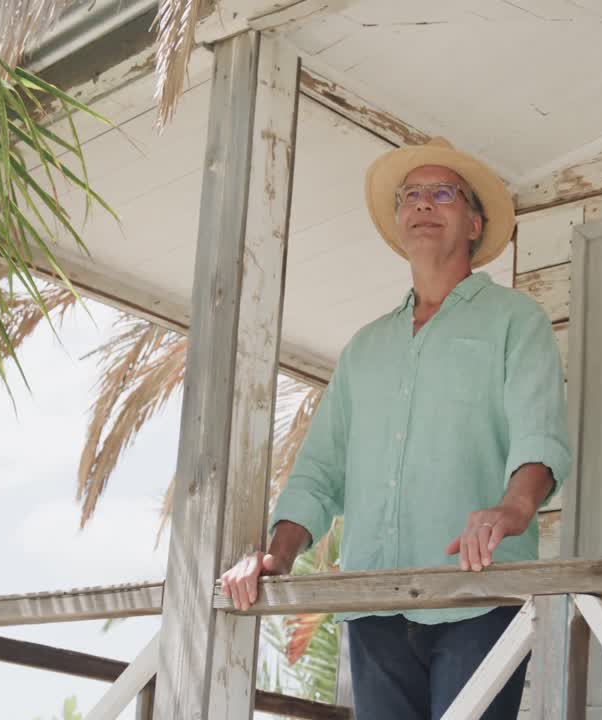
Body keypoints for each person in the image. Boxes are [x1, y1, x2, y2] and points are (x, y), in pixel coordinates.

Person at [219, 137, 572, 719]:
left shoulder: (516, 321)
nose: (423, 204)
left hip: (478, 598)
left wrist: (512, 509)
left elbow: (540, 433)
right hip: (371, 605)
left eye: (441, 194)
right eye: (411, 196)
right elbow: (319, 471)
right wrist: (277, 555)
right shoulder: (364, 350)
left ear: (475, 224)